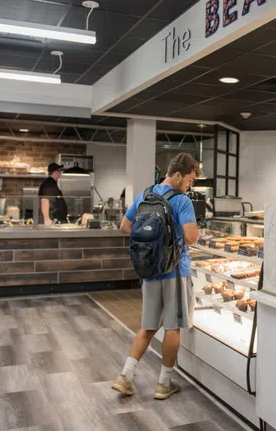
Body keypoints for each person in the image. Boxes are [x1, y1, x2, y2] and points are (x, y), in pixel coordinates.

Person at [112, 153, 200, 400]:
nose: (190, 185)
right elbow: (192, 238)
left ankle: (125, 376)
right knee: (172, 327)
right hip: (175, 271)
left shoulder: (145, 194)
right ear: (178, 175)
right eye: (190, 180)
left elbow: (125, 227)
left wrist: (154, 244)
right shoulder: (182, 201)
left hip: (149, 271)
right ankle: (164, 383)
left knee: (148, 326)